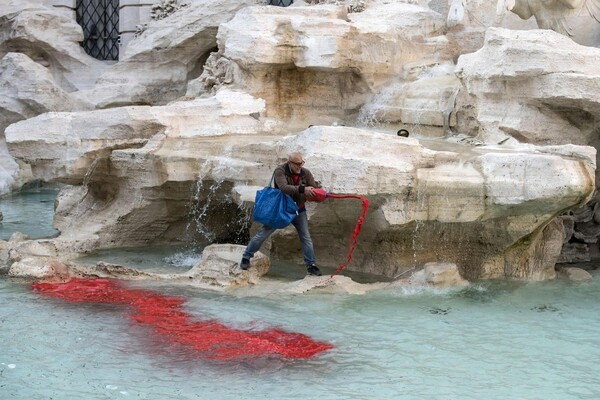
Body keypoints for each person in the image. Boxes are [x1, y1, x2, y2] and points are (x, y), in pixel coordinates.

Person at [240, 152, 322, 276]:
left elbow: (313, 186)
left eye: (301, 163)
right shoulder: (280, 170)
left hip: (298, 209)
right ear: (289, 162)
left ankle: (311, 266)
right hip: (281, 209)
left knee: (306, 237)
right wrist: (302, 189)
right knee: (263, 233)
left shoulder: (305, 172)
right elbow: (284, 187)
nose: (300, 166)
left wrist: (315, 191)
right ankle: (246, 257)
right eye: (297, 164)